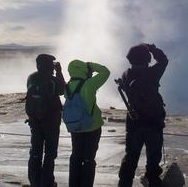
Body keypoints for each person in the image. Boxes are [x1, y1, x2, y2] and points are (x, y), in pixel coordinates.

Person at [118, 44, 169, 187]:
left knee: (130, 159)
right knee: (153, 162)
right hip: (153, 124)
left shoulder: (125, 75)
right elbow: (163, 61)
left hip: (134, 123)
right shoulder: (153, 73)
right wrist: (152, 48)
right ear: (147, 58)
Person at [66, 59, 110, 187]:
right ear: (84, 70)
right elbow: (105, 72)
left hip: (75, 127)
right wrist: (90, 65)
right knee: (88, 159)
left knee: (76, 157)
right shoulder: (90, 84)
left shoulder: (67, 86)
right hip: (92, 126)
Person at [26, 54, 66, 187]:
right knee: (50, 152)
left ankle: (34, 181)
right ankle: (47, 181)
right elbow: (63, 90)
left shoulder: (31, 78)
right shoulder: (53, 80)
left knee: (35, 151)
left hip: (34, 120)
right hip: (51, 120)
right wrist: (59, 72)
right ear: (50, 65)